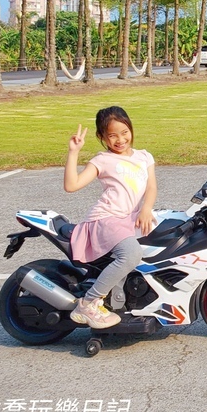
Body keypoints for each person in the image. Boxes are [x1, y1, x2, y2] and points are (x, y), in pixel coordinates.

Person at [64, 106, 158, 329]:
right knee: (131, 254)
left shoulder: (144, 157)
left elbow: (151, 187)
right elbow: (71, 185)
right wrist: (73, 152)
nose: (120, 139)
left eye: (124, 132)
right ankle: (89, 303)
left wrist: (147, 208)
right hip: (106, 219)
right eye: (113, 135)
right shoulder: (102, 160)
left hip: (130, 217)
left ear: (131, 129)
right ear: (102, 137)